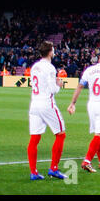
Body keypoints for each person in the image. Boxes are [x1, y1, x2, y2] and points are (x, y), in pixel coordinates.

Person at [67, 49, 100, 173]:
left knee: (98, 133)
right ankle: (87, 161)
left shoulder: (89, 70)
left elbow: (80, 86)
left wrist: (73, 103)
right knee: (99, 134)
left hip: (91, 104)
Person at [27, 41, 67, 180]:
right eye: (53, 49)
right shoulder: (50, 68)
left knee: (35, 138)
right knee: (61, 134)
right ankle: (54, 169)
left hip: (34, 104)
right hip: (46, 104)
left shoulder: (34, 67)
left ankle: (34, 172)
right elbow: (52, 90)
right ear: (50, 52)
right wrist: (59, 85)